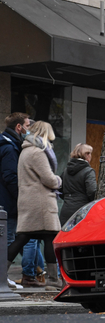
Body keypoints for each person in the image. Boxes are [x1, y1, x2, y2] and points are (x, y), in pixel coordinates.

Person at [6, 121, 63, 288]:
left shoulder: (26, 151)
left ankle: (2, 273)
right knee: (49, 237)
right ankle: (53, 279)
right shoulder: (37, 153)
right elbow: (49, 179)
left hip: (29, 200)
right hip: (40, 203)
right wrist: (59, 180)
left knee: (23, 238)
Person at [0, 112, 43, 288]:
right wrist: (22, 198)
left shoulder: (7, 144)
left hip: (7, 201)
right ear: (18, 127)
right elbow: (10, 177)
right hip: (9, 202)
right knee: (9, 240)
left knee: (13, 239)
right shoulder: (10, 148)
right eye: (26, 126)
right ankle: (3, 277)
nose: (28, 130)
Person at [59, 143, 96, 226]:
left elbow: (59, 188)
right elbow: (92, 191)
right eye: (90, 153)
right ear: (87, 155)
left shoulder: (65, 171)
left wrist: (68, 198)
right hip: (82, 211)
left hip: (66, 210)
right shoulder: (88, 171)